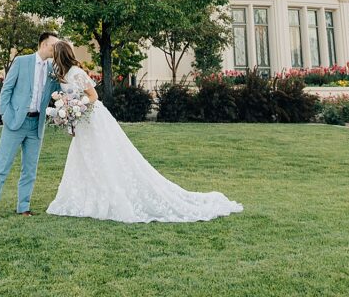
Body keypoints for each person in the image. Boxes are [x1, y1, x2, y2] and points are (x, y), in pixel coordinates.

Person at [46, 39, 243, 223]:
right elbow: (69, 99)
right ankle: (87, 196)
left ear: (60, 55)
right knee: (85, 157)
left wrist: (77, 106)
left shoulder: (77, 73)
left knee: (103, 155)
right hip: (82, 122)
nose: (52, 57)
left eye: (54, 54)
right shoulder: (63, 75)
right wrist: (70, 115)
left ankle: (109, 195)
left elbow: (94, 95)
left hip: (94, 118)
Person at [0, 31, 59, 219]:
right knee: (2, 166)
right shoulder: (22, 62)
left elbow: (58, 90)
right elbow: (6, 89)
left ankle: (24, 207)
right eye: (53, 45)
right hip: (14, 122)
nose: (55, 49)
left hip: (36, 124)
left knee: (30, 169)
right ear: (43, 45)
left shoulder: (52, 69)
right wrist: (5, 115)